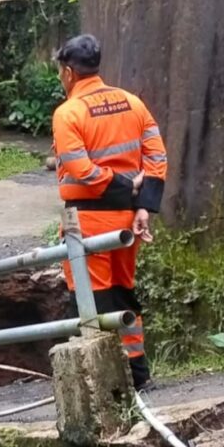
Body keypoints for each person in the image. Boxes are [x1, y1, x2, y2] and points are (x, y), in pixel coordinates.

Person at [52, 35, 168, 391]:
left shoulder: (69, 113)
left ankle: (104, 385)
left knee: (93, 301)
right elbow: (157, 157)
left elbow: (79, 169)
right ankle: (138, 375)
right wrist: (143, 203)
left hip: (88, 222)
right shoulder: (133, 103)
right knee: (122, 293)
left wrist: (125, 187)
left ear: (69, 72)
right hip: (128, 221)